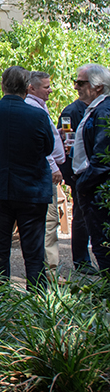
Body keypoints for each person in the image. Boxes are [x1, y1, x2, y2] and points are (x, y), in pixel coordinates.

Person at [0, 66, 55, 288]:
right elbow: (48, 147)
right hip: (32, 188)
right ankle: (38, 301)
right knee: (34, 250)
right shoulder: (38, 115)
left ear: (2, 85)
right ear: (28, 88)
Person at [25, 71, 66, 273]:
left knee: (51, 220)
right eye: (46, 86)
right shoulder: (33, 107)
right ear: (31, 87)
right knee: (50, 220)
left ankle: (48, 268)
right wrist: (54, 167)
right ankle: (49, 271)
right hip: (45, 173)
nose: (50, 90)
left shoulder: (40, 105)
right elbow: (39, 143)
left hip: (46, 172)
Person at [72, 63, 110, 272]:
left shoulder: (104, 112)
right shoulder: (97, 109)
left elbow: (103, 158)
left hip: (97, 187)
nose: (75, 86)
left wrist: (83, 184)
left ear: (98, 87)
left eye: (80, 82)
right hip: (93, 185)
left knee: (103, 245)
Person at [59, 92, 93, 273]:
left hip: (95, 172)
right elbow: (64, 145)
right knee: (81, 217)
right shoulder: (71, 112)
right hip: (79, 174)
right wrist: (71, 177)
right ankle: (82, 261)